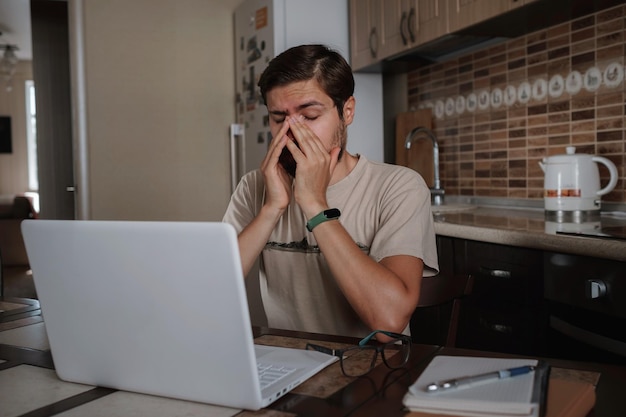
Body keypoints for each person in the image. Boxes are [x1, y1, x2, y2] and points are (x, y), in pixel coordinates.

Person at [223, 44, 438, 340]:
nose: (291, 132)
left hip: (371, 370)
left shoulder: (399, 187)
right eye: (278, 118)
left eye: (309, 116)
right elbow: (209, 293)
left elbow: (389, 324)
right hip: (286, 363)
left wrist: (314, 205)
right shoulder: (254, 187)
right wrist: (271, 209)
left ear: (346, 111)